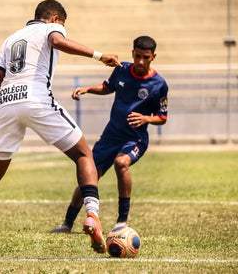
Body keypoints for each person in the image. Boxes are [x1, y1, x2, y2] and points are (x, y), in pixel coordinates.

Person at [0, 0, 121, 256]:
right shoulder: (50, 28)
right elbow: (58, 42)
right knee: (83, 155)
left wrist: (10, 103)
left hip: (6, 102)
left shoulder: (10, 39)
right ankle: (92, 215)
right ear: (55, 18)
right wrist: (100, 56)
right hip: (36, 98)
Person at [51, 35, 169, 233]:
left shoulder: (159, 84)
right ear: (132, 53)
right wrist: (87, 89)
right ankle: (67, 223)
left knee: (121, 163)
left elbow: (162, 117)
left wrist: (146, 119)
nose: (141, 61)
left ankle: (122, 221)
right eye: (138, 56)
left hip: (135, 138)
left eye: (146, 57)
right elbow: (107, 87)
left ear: (153, 57)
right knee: (90, 176)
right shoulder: (121, 70)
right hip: (110, 136)